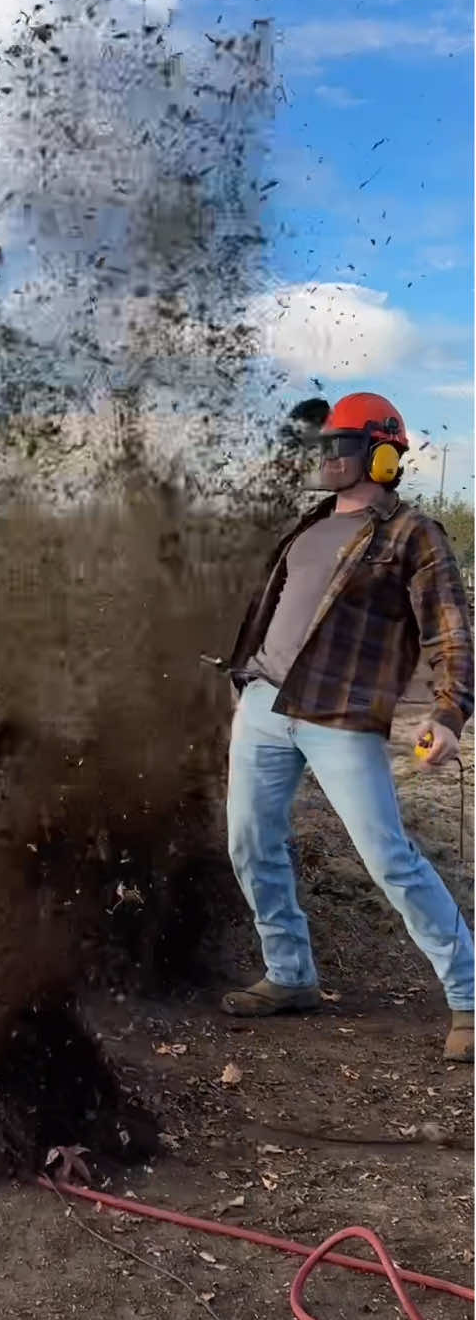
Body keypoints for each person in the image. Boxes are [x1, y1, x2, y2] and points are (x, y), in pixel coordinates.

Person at [223, 392, 474, 1063]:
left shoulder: (411, 532)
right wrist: (244, 682)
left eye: (339, 446)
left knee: (388, 856)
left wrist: (448, 714)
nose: (325, 458)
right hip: (262, 706)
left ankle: (469, 995)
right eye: (323, 446)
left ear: (381, 454)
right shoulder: (307, 525)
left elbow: (449, 631)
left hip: (339, 714)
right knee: (250, 844)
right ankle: (290, 974)